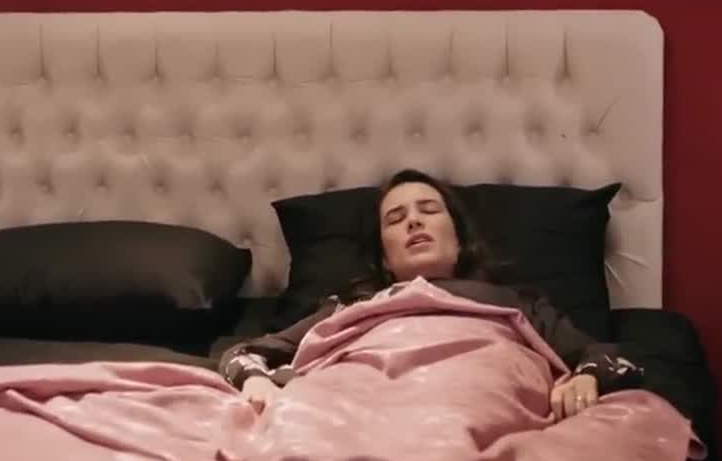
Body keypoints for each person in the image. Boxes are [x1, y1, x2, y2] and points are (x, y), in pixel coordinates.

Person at [218, 168, 642, 420]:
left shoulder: (513, 301)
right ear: (385, 258)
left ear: (458, 239)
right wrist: (256, 381)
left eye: (429, 211)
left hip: (477, 407)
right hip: (355, 412)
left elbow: (609, 358)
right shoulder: (352, 307)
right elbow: (242, 354)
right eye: (395, 218)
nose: (413, 223)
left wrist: (586, 378)